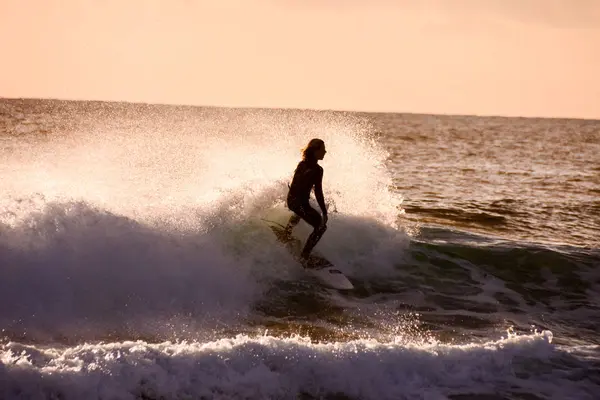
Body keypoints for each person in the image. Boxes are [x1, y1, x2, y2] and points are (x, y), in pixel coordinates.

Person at [284, 138, 328, 260]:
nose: (325, 152)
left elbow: (295, 186)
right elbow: (318, 192)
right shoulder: (318, 170)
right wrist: (324, 212)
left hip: (292, 201)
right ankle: (305, 256)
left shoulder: (301, 164)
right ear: (315, 151)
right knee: (321, 226)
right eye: (322, 150)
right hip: (300, 204)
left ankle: (286, 232)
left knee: (301, 212)